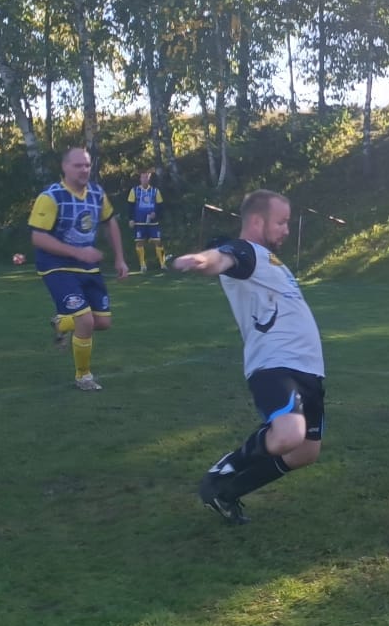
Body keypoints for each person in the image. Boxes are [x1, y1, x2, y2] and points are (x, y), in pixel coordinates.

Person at [170, 190, 328, 525]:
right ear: (257, 221)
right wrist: (202, 260)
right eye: (281, 222)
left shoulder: (268, 260)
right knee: (288, 435)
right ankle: (220, 472)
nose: (286, 229)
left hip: (309, 369)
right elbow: (223, 257)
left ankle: (227, 493)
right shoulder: (248, 252)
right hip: (275, 364)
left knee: (305, 452)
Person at [28, 147, 130, 391]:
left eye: (87, 165)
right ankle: (83, 376)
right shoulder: (51, 197)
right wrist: (78, 252)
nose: (84, 170)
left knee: (102, 322)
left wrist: (120, 259)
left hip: (87, 266)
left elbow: (110, 223)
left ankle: (62, 322)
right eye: (78, 165)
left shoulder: (96, 193)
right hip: (57, 266)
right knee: (85, 320)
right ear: (64, 167)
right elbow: (38, 237)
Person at [126, 169, 165, 273]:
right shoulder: (134, 190)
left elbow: (160, 206)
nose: (145, 179)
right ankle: (142, 265)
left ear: (149, 178)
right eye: (143, 177)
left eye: (147, 177)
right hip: (139, 221)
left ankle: (162, 264)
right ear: (140, 179)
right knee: (139, 242)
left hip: (153, 222)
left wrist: (155, 214)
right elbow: (130, 206)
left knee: (158, 241)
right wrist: (131, 219)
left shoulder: (155, 191)